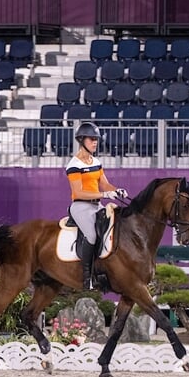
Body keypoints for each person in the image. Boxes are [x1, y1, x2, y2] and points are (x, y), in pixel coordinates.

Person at [66, 122, 128, 290]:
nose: (95, 142)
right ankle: (87, 277)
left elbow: (105, 184)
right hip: (80, 206)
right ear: (81, 140)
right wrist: (104, 195)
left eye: (96, 140)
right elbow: (78, 193)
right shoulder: (74, 165)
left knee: (113, 228)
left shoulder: (96, 161)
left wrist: (116, 190)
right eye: (92, 139)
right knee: (92, 236)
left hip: (97, 205)